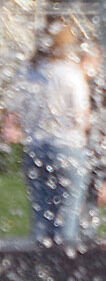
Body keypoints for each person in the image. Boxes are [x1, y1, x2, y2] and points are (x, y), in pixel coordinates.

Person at [12, 21, 92, 245]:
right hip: (68, 147)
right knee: (68, 213)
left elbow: (17, 112)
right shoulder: (71, 73)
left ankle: (38, 270)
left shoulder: (28, 71)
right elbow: (81, 119)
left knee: (40, 214)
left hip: (35, 148)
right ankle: (64, 269)